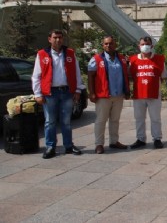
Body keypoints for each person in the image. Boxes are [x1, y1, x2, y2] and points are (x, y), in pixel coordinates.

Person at [31, 29, 83, 159]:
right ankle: (50, 147)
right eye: (55, 37)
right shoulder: (42, 54)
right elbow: (36, 75)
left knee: (66, 121)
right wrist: (38, 93)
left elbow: (77, 72)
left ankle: (68, 146)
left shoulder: (70, 53)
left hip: (66, 92)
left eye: (60, 37)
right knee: (50, 121)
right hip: (50, 93)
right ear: (50, 39)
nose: (58, 40)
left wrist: (78, 90)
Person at [88, 35, 130, 154]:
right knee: (101, 120)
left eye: (111, 43)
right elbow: (90, 76)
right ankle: (99, 144)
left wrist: (127, 91)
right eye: (106, 43)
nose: (108, 45)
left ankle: (114, 141)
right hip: (103, 95)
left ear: (115, 44)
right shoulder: (96, 59)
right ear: (103, 45)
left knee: (115, 120)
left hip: (118, 95)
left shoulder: (121, 58)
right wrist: (92, 93)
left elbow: (126, 75)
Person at [129, 36, 166, 149]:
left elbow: (164, 76)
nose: (145, 46)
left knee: (155, 118)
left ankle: (157, 138)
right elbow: (129, 75)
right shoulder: (133, 60)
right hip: (138, 94)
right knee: (139, 118)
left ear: (152, 46)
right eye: (142, 44)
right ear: (139, 46)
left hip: (154, 94)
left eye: (147, 44)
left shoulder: (159, 59)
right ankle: (140, 139)